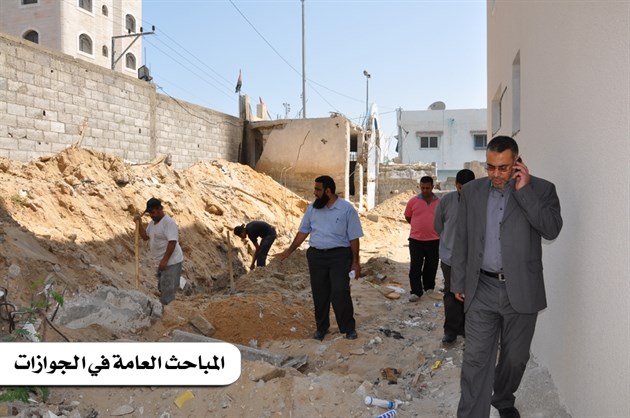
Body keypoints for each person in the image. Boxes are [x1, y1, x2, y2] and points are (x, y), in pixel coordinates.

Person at [451, 136, 563, 418]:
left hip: (522, 289)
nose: (496, 174)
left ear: (517, 162)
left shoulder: (542, 189)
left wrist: (525, 192)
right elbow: (462, 237)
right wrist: (459, 280)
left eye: (503, 168)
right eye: (490, 167)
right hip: (481, 288)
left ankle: (502, 399)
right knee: (476, 360)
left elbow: (551, 229)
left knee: (515, 359)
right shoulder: (473, 191)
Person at [276, 175, 363, 341]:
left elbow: (354, 238)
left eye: (318, 189)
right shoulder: (312, 208)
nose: (314, 192)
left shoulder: (346, 209)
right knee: (320, 293)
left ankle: (348, 328)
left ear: (328, 191)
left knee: (340, 291)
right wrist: (289, 251)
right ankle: (321, 328)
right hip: (316, 257)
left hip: (339, 256)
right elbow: (303, 232)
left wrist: (355, 263)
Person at [434, 169, 475, 344]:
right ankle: (450, 331)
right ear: (456, 185)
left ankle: (466, 328)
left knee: (471, 294)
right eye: (460, 188)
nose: (463, 193)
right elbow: (438, 226)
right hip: (450, 258)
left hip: (473, 260)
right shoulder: (446, 201)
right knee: (451, 293)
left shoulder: (481, 202)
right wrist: (450, 241)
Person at [134, 198, 184, 306]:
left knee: (167, 290)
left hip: (172, 262)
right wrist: (139, 224)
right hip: (161, 262)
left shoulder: (168, 223)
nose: (151, 215)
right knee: (162, 287)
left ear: (160, 209)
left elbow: (172, 242)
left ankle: (168, 311)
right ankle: (165, 308)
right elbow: (145, 237)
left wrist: (164, 261)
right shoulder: (153, 223)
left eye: (153, 212)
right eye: (149, 213)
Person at [404, 175, 440, 302]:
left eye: (427, 188)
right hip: (416, 240)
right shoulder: (413, 201)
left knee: (431, 265)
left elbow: (443, 218)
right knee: (415, 266)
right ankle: (416, 291)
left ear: (432, 187)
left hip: (434, 240)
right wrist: (418, 226)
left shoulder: (439, 202)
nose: (425, 190)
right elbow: (408, 216)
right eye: (422, 188)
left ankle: (429, 287)